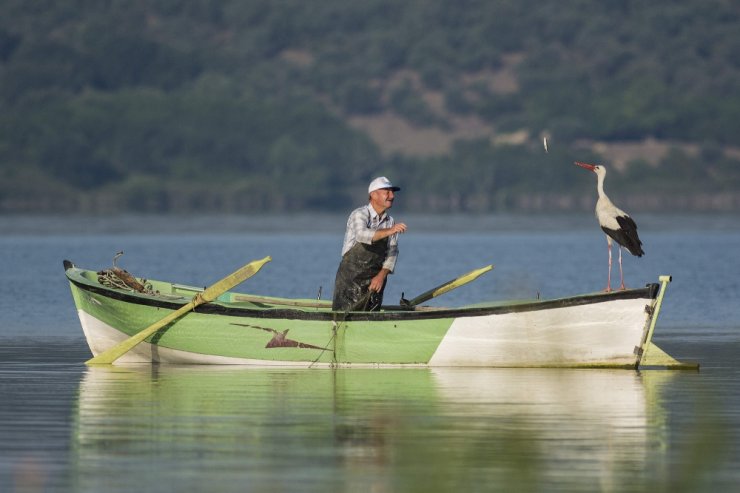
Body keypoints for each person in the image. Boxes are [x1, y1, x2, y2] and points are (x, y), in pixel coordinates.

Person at [332, 176, 407, 311]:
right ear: (373, 194)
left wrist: (381, 276)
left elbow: (392, 253)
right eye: (387, 191)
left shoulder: (390, 221)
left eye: (393, 192)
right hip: (350, 279)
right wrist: (390, 231)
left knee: (371, 315)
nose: (392, 196)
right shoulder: (359, 214)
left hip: (375, 280)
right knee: (344, 315)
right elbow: (362, 235)